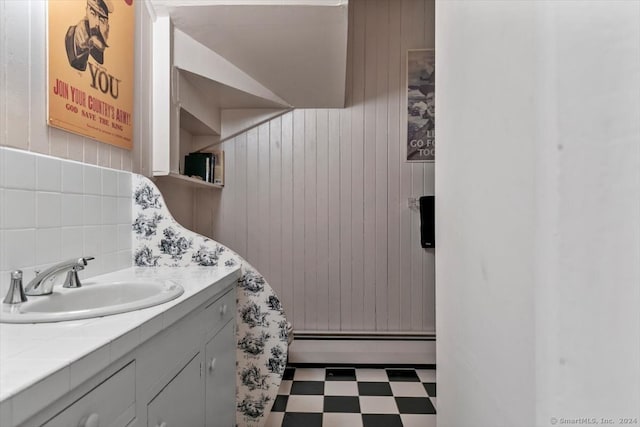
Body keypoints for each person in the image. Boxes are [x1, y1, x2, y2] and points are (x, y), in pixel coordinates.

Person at [65, 0, 113, 71]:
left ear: (107, 26)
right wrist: (77, 41)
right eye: (93, 13)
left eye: (102, 20)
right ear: (87, 12)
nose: (97, 24)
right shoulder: (77, 33)